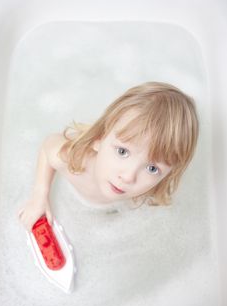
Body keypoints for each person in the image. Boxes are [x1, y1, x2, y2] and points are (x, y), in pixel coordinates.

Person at [18, 81, 199, 231]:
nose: (128, 177)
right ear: (99, 137)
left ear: (170, 173)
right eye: (122, 151)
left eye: (152, 168)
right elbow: (47, 148)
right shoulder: (75, 161)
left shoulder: (148, 193)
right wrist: (40, 195)